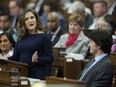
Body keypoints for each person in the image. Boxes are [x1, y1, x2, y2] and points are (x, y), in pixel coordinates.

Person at [7, 8, 53, 80]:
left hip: (37, 75)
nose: (30, 21)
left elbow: (50, 58)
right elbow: (15, 58)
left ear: (36, 19)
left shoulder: (44, 37)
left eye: (32, 17)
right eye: (26, 19)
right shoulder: (21, 38)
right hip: (22, 75)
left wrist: (38, 59)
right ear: (23, 23)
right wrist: (5, 59)